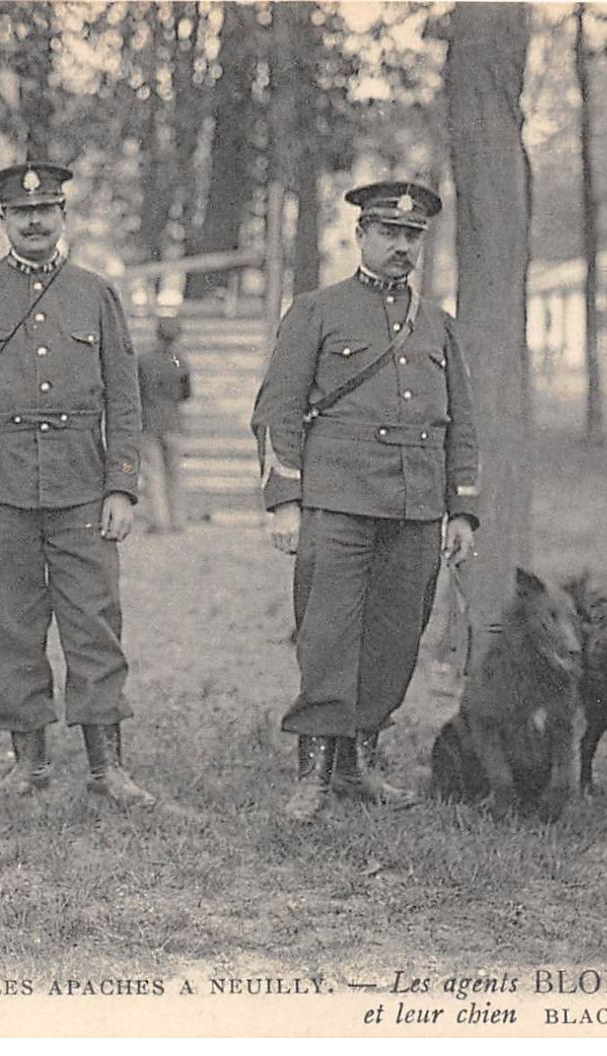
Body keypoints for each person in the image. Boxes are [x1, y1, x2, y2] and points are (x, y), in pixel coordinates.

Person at [0, 160, 155, 809]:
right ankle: (28, 761)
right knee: (6, 624)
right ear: (2, 221)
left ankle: (108, 767)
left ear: (62, 217)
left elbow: (126, 401)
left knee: (93, 621)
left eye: (45, 210)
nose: (33, 221)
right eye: (21, 212)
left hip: (82, 485)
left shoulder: (95, 294)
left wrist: (121, 487)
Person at [250, 179, 480, 821]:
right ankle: (314, 774)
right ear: (360, 236)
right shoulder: (317, 311)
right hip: (337, 502)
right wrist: (284, 499)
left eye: (412, 236)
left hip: (415, 508)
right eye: (389, 233)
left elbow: (461, 421)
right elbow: (277, 410)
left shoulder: (437, 325)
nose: (402, 246)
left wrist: (461, 508)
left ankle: (357, 764)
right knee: (327, 636)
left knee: (394, 638)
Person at [136, 317, 191, 532]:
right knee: (175, 474)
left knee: (154, 474)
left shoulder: (144, 360)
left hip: (150, 421)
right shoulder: (180, 361)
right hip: (174, 422)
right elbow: (187, 394)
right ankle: (178, 520)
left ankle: (159, 520)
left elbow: (138, 390)